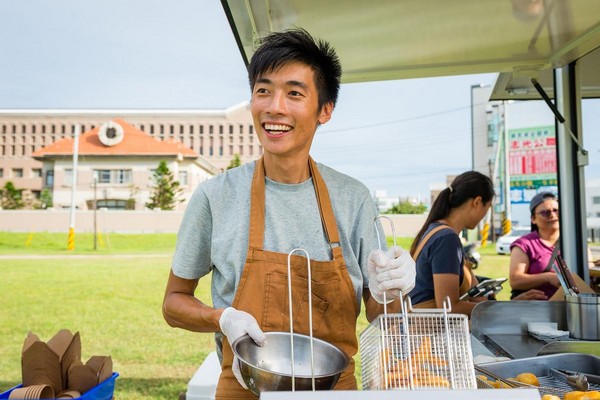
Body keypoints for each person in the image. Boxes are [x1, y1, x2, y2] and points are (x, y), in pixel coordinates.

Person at [162, 28, 416, 399]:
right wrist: (223, 318)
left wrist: (393, 288)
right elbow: (173, 303)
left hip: (335, 389)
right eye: (263, 90)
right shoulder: (216, 196)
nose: (274, 107)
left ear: (324, 110)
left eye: (294, 93)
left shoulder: (353, 199)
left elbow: (381, 315)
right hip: (244, 386)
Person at [408, 171, 494, 316]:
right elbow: (448, 307)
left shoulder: (436, 230)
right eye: (487, 208)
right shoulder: (446, 239)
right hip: (429, 335)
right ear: (477, 202)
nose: (485, 217)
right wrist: (494, 310)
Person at [509, 191, 594, 299]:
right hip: (537, 309)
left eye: (556, 211)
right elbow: (515, 280)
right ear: (533, 219)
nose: (553, 215)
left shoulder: (576, 242)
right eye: (545, 212)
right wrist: (547, 277)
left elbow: (590, 273)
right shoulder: (524, 244)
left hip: (575, 308)